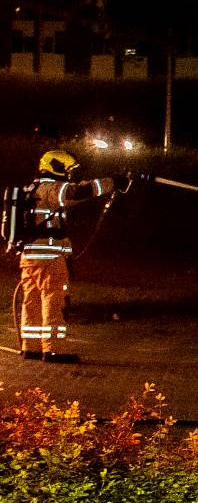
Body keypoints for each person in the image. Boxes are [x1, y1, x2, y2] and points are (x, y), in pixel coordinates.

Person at [16, 150, 128, 363]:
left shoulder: (30, 189)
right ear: (57, 168)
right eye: (67, 170)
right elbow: (80, 191)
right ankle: (54, 349)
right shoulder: (52, 188)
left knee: (31, 301)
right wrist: (113, 181)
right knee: (54, 299)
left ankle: (30, 348)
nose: (69, 175)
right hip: (48, 258)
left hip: (28, 256)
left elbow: (75, 190)